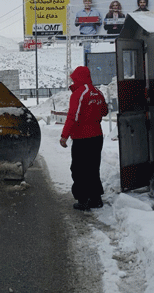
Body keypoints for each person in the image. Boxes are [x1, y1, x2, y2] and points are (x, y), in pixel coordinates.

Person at [59, 66, 108, 211]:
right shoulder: (97, 92)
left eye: (73, 78)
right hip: (97, 136)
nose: (72, 80)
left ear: (78, 78)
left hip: (82, 137)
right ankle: (95, 198)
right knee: (93, 168)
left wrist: (64, 136)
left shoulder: (79, 93)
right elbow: (105, 111)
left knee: (78, 169)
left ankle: (82, 199)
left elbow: (72, 117)